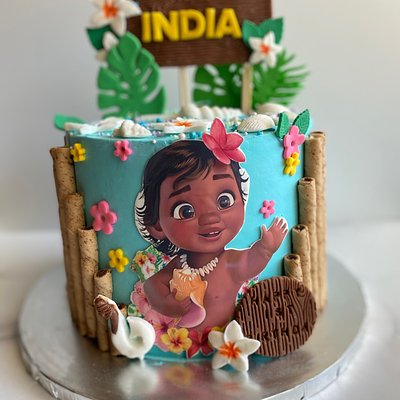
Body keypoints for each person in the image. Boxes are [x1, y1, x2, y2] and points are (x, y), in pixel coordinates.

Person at [135, 120, 287, 333]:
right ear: (157, 225)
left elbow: (249, 262)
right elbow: (152, 286)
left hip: (226, 337)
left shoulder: (229, 261)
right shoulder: (179, 266)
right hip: (182, 340)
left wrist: (264, 249)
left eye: (224, 201)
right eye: (185, 211)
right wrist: (166, 304)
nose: (210, 218)